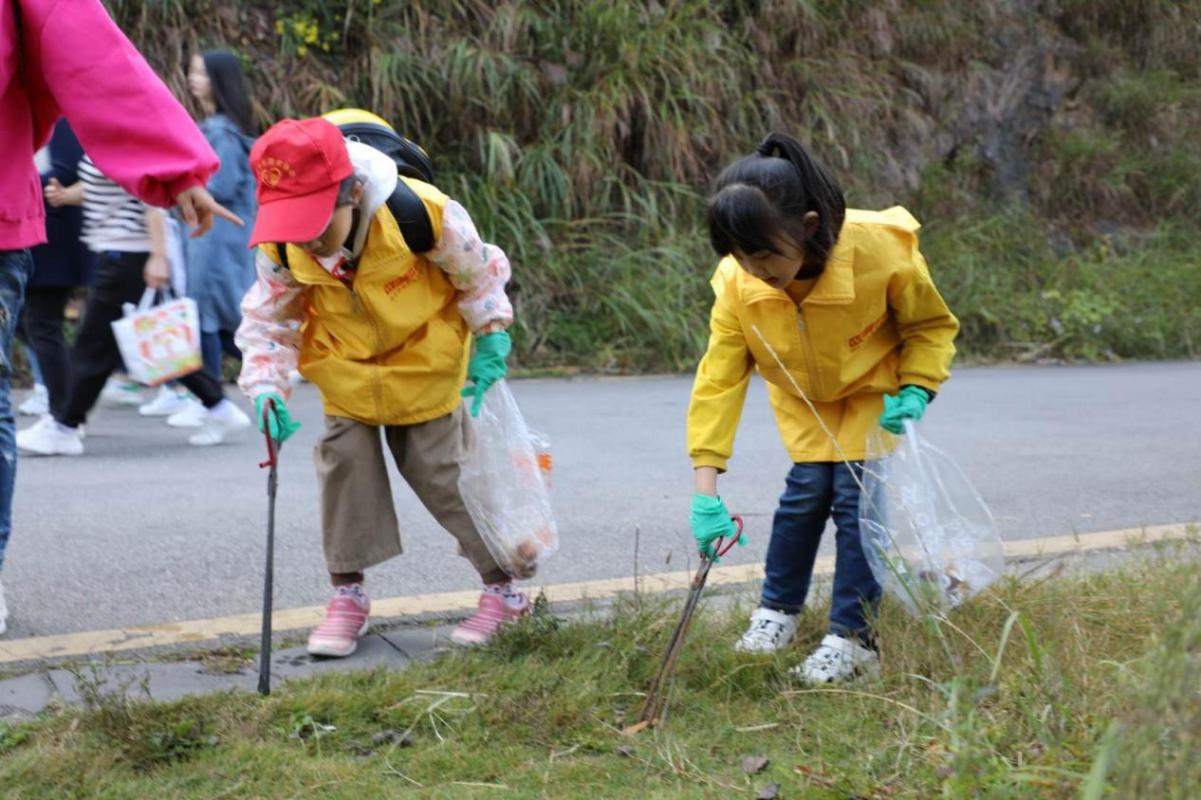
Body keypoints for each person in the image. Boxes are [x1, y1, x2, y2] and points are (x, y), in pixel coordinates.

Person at [237, 117, 524, 657]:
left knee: (445, 477)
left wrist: (491, 335)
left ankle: (503, 591)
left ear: (355, 191)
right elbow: (269, 322)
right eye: (293, 225)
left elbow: (478, 271)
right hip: (345, 369)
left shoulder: (421, 213)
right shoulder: (282, 247)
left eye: (319, 222)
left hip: (425, 360)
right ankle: (348, 596)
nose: (309, 239)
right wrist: (266, 388)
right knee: (344, 469)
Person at [0, 0, 240, 636]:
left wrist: (173, 171)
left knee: (86, 346)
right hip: (100, 248)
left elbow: (95, 56)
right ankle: (81, 415)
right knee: (90, 345)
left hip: (39, 229)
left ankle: (70, 421)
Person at [687, 133, 959, 683]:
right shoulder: (739, 283)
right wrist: (705, 487)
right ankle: (778, 612)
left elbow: (930, 327)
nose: (753, 269)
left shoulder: (881, 252)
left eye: (764, 255)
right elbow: (718, 380)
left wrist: (917, 386)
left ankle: (854, 640)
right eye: (739, 257)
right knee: (804, 496)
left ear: (808, 226)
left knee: (855, 504)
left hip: (872, 395)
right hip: (803, 400)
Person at [16, 156, 250, 455]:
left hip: (127, 255)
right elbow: (104, 187)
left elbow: (149, 200)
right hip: (119, 255)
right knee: (154, 341)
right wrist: (67, 196)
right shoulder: (103, 142)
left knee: (92, 349)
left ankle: (64, 426)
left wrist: (158, 256)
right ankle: (220, 409)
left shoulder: (122, 140)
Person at [141, 49, 258, 422]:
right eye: (192, 72)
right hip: (216, 236)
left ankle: (208, 400)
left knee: (203, 311)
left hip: (217, 239)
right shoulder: (219, 127)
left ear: (220, 81)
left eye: (201, 73)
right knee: (213, 314)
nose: (193, 79)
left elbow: (219, 187)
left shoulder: (221, 132)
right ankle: (208, 395)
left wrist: (178, 185)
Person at [16, 120, 94, 422]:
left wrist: (13, 179)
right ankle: (62, 407)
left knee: (43, 324)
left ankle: (63, 415)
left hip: (55, 239)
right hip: (42, 237)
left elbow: (65, 168)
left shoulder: (58, 118)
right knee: (32, 322)